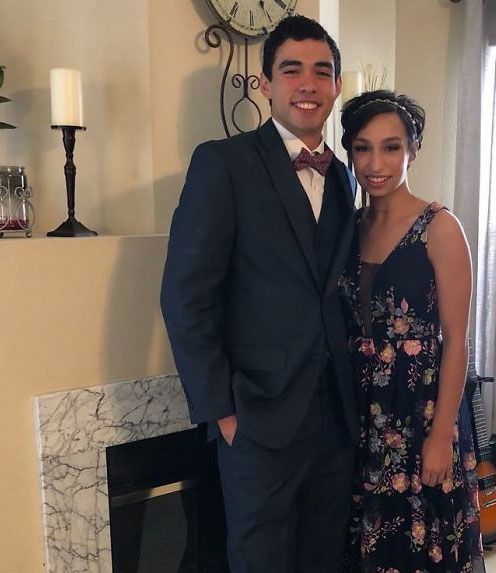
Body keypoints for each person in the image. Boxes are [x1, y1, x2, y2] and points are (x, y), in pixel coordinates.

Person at [160, 15, 359, 573]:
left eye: (322, 71)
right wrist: (220, 411)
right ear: (266, 84)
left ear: (336, 86)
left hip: (336, 415)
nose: (308, 84)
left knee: (323, 557)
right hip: (255, 415)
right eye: (291, 70)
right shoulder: (223, 163)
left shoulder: (344, 178)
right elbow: (185, 296)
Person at [338, 90, 483, 572]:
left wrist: (441, 434)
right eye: (362, 148)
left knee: (421, 541)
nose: (375, 163)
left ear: (413, 150)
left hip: (420, 410)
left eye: (391, 147)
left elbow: (456, 341)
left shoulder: (440, 228)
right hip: (360, 411)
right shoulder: (348, 227)